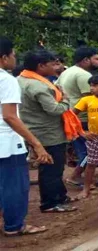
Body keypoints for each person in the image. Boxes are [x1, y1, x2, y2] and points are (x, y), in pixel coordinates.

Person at [18, 50, 79, 213]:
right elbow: (54, 109)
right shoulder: (37, 85)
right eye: (53, 64)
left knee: (54, 167)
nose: (57, 67)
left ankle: (60, 196)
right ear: (41, 66)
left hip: (36, 129)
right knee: (52, 169)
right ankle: (50, 203)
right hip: (49, 133)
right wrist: (66, 100)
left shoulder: (22, 79)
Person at [0, 37, 51, 236]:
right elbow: (10, 117)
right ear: (4, 57)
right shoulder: (6, 80)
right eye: (13, 54)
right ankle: (14, 225)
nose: (14, 58)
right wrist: (36, 144)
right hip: (7, 143)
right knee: (15, 187)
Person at [57, 46, 98, 187]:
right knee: (91, 150)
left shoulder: (67, 72)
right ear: (86, 60)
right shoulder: (84, 76)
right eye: (97, 58)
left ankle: (89, 179)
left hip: (70, 115)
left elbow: (57, 90)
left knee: (84, 149)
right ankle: (75, 176)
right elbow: (89, 99)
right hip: (82, 118)